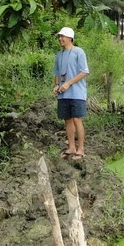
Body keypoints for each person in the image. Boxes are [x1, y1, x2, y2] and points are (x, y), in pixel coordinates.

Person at [53, 27, 89, 161]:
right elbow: (56, 73)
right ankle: (71, 147)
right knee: (67, 119)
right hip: (63, 94)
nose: (60, 39)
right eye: (59, 37)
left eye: (63, 36)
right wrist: (57, 85)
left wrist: (68, 83)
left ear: (70, 38)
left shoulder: (79, 52)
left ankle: (81, 149)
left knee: (76, 119)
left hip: (77, 93)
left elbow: (84, 71)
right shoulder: (59, 55)